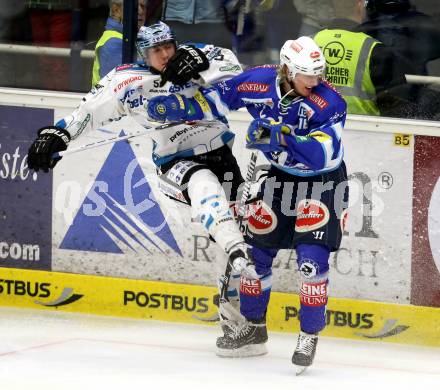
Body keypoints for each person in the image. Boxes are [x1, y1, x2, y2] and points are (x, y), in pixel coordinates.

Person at [27, 21, 258, 336]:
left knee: (228, 239)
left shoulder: (196, 55)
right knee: (204, 186)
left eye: (168, 47)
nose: (165, 55)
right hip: (175, 162)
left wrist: (200, 61)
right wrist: (59, 134)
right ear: (143, 54)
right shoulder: (127, 81)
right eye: (156, 50)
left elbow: (235, 69)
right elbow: (88, 112)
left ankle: (234, 325)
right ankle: (236, 247)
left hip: (222, 156)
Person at [147, 36, 349, 374]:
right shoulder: (259, 80)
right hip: (280, 179)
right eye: (306, 75)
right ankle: (254, 325)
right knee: (255, 255)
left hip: (323, 183)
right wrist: (181, 109)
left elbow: (322, 153)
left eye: (318, 74)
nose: (315, 82)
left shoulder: (329, 102)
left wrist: (280, 136)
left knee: (311, 263)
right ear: (286, 70)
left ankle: (309, 334)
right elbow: (219, 98)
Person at [313, 0, 411, 116]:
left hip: (315, 128)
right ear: (359, 4)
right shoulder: (375, 50)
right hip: (364, 130)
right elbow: (397, 106)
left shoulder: (311, 42)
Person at [91, 0, 146, 86]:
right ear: (116, 10)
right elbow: (118, 88)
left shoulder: (130, 37)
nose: (141, 11)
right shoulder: (116, 42)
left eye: (143, 6)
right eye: (135, 7)